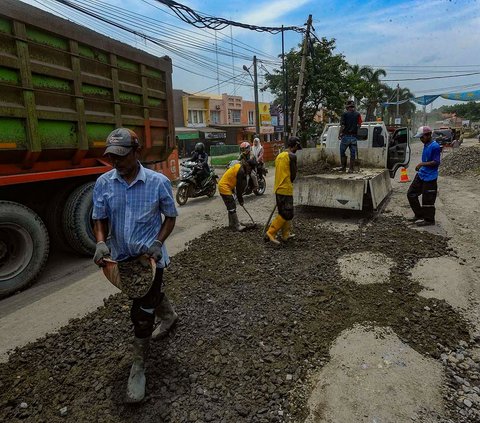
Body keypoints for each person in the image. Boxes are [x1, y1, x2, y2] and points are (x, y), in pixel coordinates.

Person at [92, 128, 178, 403]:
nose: (116, 162)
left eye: (122, 156)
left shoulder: (157, 182)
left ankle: (139, 366)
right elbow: (99, 217)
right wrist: (101, 243)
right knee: (145, 297)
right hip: (123, 260)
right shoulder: (104, 183)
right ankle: (169, 315)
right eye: (112, 157)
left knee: (141, 314)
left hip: (150, 259)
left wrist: (157, 242)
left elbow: (170, 217)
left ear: (137, 152)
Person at [266, 137, 302, 245]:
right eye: (297, 147)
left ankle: (285, 234)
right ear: (294, 145)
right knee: (288, 213)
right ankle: (271, 232)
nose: (297, 149)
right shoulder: (292, 156)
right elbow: (293, 175)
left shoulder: (279, 156)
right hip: (285, 188)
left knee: (283, 212)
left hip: (278, 188)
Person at [407, 126, 441, 227]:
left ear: (429, 135)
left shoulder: (435, 146)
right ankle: (419, 214)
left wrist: (421, 164)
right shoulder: (426, 144)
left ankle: (429, 220)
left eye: (422, 137)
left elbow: (436, 162)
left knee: (428, 199)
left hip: (430, 177)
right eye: (420, 138)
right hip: (422, 174)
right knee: (411, 194)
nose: (421, 139)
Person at [218, 158, 254, 231]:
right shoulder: (241, 171)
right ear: (247, 165)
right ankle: (237, 225)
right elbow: (239, 188)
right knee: (232, 206)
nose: (250, 171)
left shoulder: (240, 167)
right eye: (250, 169)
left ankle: (231, 224)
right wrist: (241, 200)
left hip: (227, 186)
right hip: (224, 187)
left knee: (230, 206)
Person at [339, 100, 362, 172]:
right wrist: (355, 130)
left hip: (346, 136)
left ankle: (343, 167)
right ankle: (351, 169)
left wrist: (340, 134)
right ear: (353, 106)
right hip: (354, 137)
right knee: (353, 153)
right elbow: (360, 125)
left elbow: (342, 126)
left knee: (342, 151)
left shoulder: (344, 114)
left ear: (347, 107)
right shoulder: (358, 114)